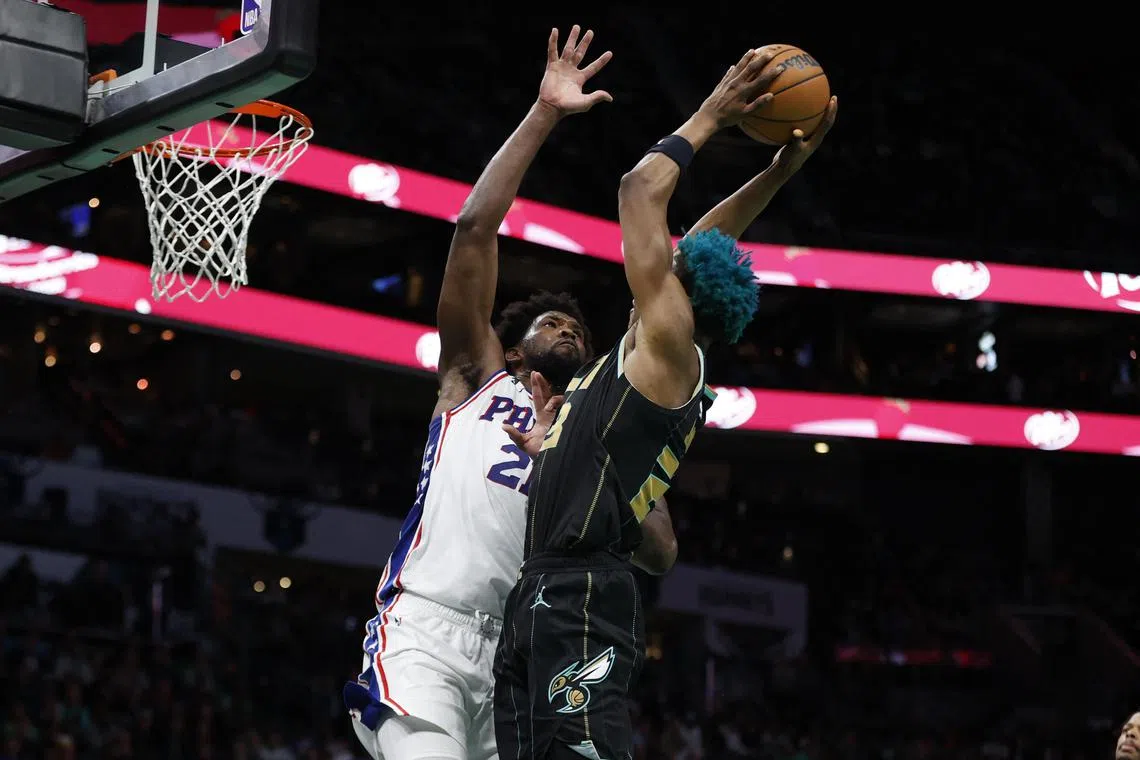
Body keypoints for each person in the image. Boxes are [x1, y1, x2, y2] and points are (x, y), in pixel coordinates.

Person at [492, 47, 836, 760]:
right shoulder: (653, 351)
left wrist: (714, 110)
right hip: (546, 589)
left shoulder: (670, 347)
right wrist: (777, 173)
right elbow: (709, 242)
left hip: (583, 593)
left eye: (673, 265)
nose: (667, 255)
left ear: (681, 297)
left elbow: (639, 189)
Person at [343, 25, 612, 760]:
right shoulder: (476, 375)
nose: (568, 333)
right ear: (515, 345)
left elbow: (661, 550)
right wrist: (545, 113)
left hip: (519, 665)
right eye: (552, 323)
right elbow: (472, 230)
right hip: (428, 631)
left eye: (579, 335)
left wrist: (600, 458)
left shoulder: (591, 432)